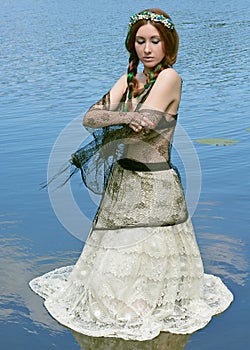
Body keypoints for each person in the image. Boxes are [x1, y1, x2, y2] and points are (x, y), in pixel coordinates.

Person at [29, 8, 233, 341]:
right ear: (132, 45)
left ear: (167, 44)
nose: (147, 48)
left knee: (146, 265)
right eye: (140, 41)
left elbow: (149, 121)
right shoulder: (128, 80)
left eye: (155, 41)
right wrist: (122, 119)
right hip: (124, 181)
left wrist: (118, 115)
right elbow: (90, 118)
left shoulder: (170, 78)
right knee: (113, 267)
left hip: (155, 184)